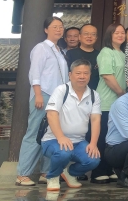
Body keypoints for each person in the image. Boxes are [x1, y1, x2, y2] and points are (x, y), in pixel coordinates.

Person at [16, 16, 68, 186]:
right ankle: (23, 174)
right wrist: (37, 94)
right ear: (46, 30)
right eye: (54, 27)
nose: (58, 29)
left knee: (51, 134)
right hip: (44, 94)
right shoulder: (41, 48)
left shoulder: (60, 51)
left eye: (61, 27)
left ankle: (46, 172)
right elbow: (35, 73)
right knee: (35, 133)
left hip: (58, 97)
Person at [41, 59, 101, 191]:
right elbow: (51, 114)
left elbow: (96, 119)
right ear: (70, 75)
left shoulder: (93, 95)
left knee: (94, 159)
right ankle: (53, 176)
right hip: (53, 140)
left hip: (78, 141)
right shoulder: (61, 90)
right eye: (78, 73)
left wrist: (93, 143)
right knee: (63, 152)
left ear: (90, 75)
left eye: (85, 73)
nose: (82, 76)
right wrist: (61, 137)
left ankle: (70, 173)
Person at [91, 23, 128, 183]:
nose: (120, 35)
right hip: (106, 101)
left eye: (122, 32)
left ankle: (108, 168)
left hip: (119, 103)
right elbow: (107, 75)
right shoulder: (106, 52)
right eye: (116, 32)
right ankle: (97, 171)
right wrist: (121, 93)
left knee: (113, 138)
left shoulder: (122, 53)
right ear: (109, 35)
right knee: (102, 137)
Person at [66, 24, 100, 91]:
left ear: (96, 38)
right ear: (79, 37)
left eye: (93, 34)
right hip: (74, 92)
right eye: (86, 34)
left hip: (94, 92)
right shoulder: (71, 53)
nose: (89, 36)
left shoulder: (100, 55)